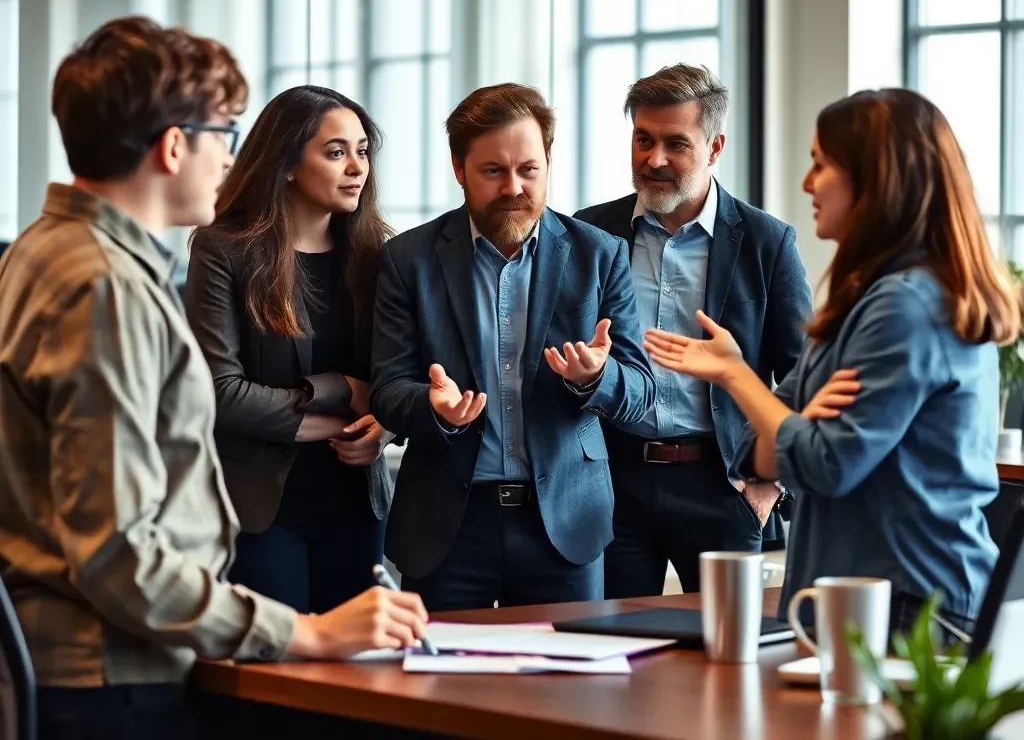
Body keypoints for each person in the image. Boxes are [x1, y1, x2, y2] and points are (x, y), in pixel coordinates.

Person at [0, 18, 427, 740]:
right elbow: (118, 554)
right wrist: (304, 633)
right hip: (112, 674)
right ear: (174, 146)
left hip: (96, 662)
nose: (231, 162)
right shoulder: (101, 284)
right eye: (223, 137)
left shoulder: (50, 252)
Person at [644, 87, 1021, 635]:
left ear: (874, 181)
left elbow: (822, 464)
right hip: (851, 601)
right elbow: (759, 453)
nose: (806, 183)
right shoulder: (860, 302)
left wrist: (735, 374)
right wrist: (797, 425)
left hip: (914, 606)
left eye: (821, 165)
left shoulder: (907, 306)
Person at [370, 83, 656, 612]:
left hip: (565, 523)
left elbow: (640, 390)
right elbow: (387, 388)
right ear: (459, 169)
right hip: (449, 527)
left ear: (549, 159)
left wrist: (594, 378)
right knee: (442, 689)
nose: (514, 188)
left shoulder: (600, 255)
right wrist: (434, 410)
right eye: (493, 171)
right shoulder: (408, 259)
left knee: (569, 693)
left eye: (528, 169)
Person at [574, 63, 812, 596]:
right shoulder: (589, 233)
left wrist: (771, 483)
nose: (654, 159)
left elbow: (802, 375)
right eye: (643, 139)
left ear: (715, 145)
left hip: (722, 484)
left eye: (675, 144)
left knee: (726, 657)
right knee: (615, 654)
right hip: (613, 481)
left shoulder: (766, 242)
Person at [186, 86, 393, 614]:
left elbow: (398, 380)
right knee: (277, 679)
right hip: (260, 512)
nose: (356, 168)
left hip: (356, 505)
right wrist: (343, 392)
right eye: (336, 152)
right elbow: (217, 393)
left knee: (357, 678)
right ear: (287, 164)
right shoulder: (223, 249)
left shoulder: (380, 256)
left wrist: (384, 426)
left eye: (362, 151)